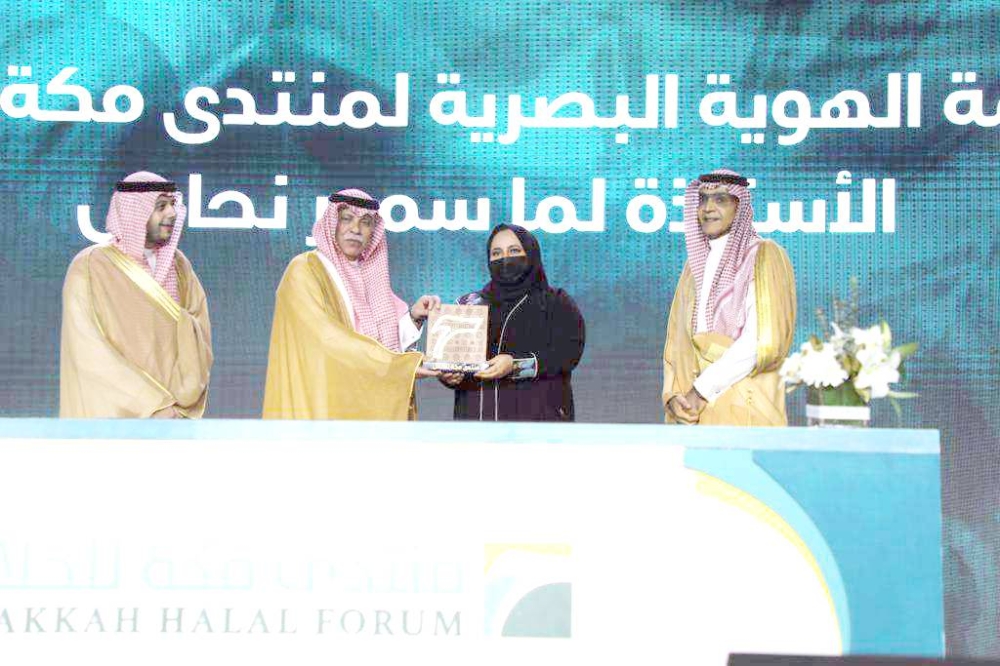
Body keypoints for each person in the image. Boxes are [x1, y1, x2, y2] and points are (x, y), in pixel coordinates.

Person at [262, 189, 440, 420]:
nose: (356, 229)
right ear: (332, 224)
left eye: (365, 222)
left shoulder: (370, 277)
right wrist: (401, 366)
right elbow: (326, 339)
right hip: (323, 402)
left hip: (366, 401)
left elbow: (382, 340)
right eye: (347, 219)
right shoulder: (305, 269)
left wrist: (414, 317)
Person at [60, 172, 213, 418]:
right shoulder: (90, 266)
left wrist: (179, 401)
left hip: (176, 417)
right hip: (118, 417)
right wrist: (153, 405)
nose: (172, 213)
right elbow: (87, 350)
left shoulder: (180, 266)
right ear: (134, 212)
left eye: (173, 204)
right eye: (160, 206)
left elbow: (199, 333)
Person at [662, 169, 796, 426]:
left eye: (721, 200)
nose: (708, 208)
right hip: (692, 411)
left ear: (739, 206)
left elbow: (761, 342)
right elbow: (676, 343)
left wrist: (701, 391)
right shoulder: (693, 267)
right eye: (702, 199)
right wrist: (673, 395)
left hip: (745, 403)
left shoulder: (763, 256)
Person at [439, 224, 585, 421]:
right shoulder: (469, 304)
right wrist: (450, 376)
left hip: (537, 421)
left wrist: (515, 365)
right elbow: (458, 365)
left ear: (531, 253)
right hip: (476, 421)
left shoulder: (555, 302)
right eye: (496, 253)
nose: (505, 258)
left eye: (514, 251)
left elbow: (568, 354)